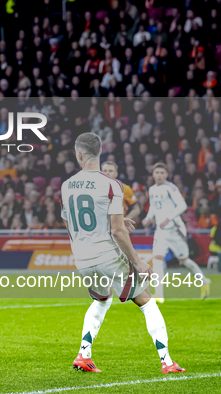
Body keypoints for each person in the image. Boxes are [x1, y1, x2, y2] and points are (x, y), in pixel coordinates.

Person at [61, 133, 185, 375]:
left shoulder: (67, 186)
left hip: (83, 259)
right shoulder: (111, 185)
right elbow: (118, 231)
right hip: (107, 256)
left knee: (101, 300)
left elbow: (70, 224)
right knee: (147, 302)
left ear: (78, 154)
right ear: (99, 154)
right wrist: (137, 262)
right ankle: (167, 362)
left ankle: (84, 355)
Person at [142, 163, 211, 300]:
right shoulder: (152, 189)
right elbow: (154, 207)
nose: (159, 175)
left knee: (184, 261)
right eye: (157, 172)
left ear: (167, 175)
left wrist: (168, 218)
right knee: (157, 260)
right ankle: (159, 295)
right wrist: (148, 218)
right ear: (153, 174)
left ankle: (204, 281)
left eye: (162, 172)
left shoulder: (171, 188)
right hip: (161, 231)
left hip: (174, 230)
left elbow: (182, 205)